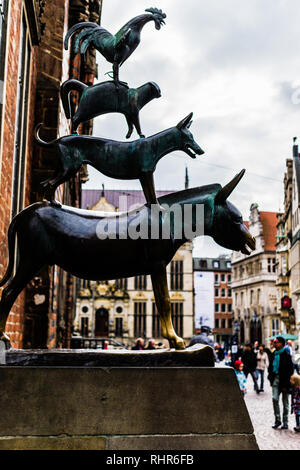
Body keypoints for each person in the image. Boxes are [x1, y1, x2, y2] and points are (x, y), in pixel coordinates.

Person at [268, 336, 294, 430]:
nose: (274, 343)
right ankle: (277, 420)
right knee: (274, 399)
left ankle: (285, 422)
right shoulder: (273, 353)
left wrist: (286, 384)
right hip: (275, 379)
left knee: (285, 402)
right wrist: (270, 378)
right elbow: (270, 367)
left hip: (285, 381)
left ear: (281, 344)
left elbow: (290, 370)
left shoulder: (286, 354)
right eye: (274, 342)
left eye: (276, 342)